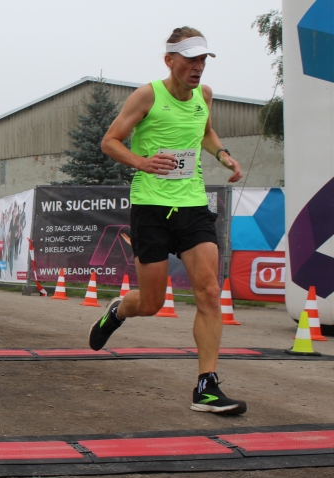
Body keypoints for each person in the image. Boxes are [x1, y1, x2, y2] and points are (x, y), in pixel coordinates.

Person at [91, 27, 246, 415]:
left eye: (203, 60)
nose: (197, 68)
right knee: (151, 302)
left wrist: (223, 154)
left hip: (192, 205)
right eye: (190, 59)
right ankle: (118, 311)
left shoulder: (203, 97)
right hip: (151, 207)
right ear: (169, 61)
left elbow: (206, 131)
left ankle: (206, 387)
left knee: (209, 291)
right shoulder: (148, 95)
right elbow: (110, 140)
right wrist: (142, 162)